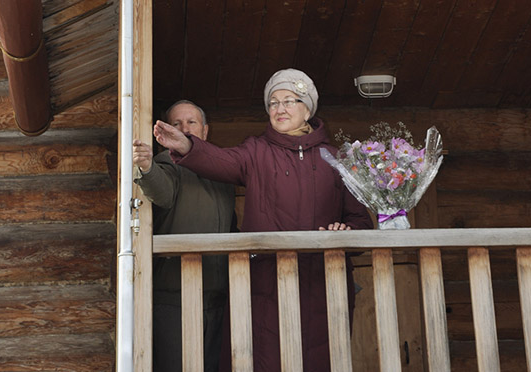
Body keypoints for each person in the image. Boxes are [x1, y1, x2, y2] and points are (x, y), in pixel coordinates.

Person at [153, 70, 372, 372]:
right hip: (265, 286)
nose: (280, 108)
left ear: (307, 109)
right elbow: (219, 161)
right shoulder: (255, 151)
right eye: (273, 102)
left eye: (289, 101)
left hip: (322, 286)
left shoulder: (337, 160)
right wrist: (187, 145)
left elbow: (361, 223)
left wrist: (345, 231)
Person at [133, 100, 236, 372]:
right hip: (173, 299)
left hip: (218, 298)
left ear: (205, 131)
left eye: (191, 122)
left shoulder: (222, 171)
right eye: (176, 123)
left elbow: (231, 227)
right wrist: (147, 167)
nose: (185, 128)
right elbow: (162, 191)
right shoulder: (166, 163)